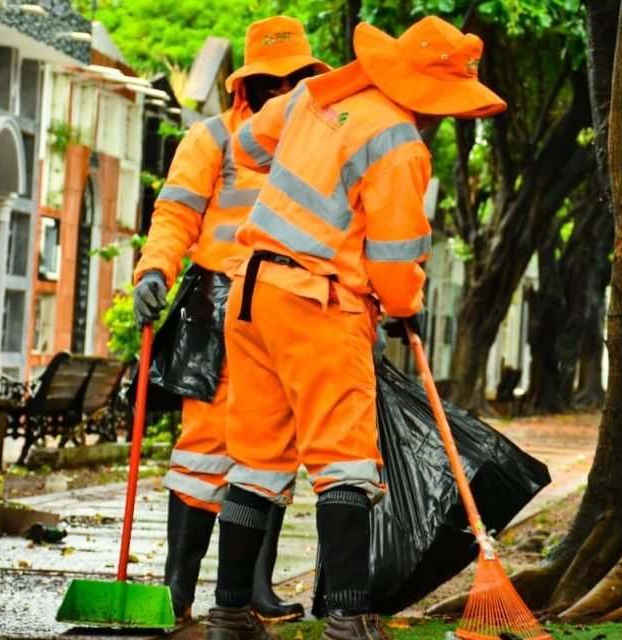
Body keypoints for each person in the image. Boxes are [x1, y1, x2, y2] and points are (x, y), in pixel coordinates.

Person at [204, 16, 506, 640]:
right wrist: (406, 308)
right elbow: (395, 264)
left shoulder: (322, 97)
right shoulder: (399, 145)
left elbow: (248, 148)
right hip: (317, 305)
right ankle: (347, 619)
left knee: (256, 463)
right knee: (345, 463)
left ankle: (229, 612)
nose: (446, 120)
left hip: (251, 294)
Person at [130, 16, 331, 622]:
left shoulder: (319, 144)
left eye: (296, 79)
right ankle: (178, 588)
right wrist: (153, 272)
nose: (286, 90)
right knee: (204, 448)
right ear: (249, 86)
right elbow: (174, 215)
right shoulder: (212, 138)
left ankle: (251, 589)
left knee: (276, 448)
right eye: (274, 80)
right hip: (219, 305)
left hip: (292, 307)